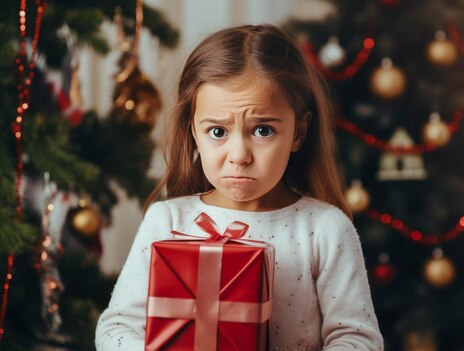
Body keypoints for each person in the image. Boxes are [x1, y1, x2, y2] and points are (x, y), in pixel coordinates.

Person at [95, 24, 384, 350]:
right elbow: (118, 327)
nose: (239, 156)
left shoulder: (325, 230)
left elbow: (357, 339)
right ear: (194, 132)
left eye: (262, 131)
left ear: (299, 133)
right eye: (217, 132)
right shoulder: (167, 221)